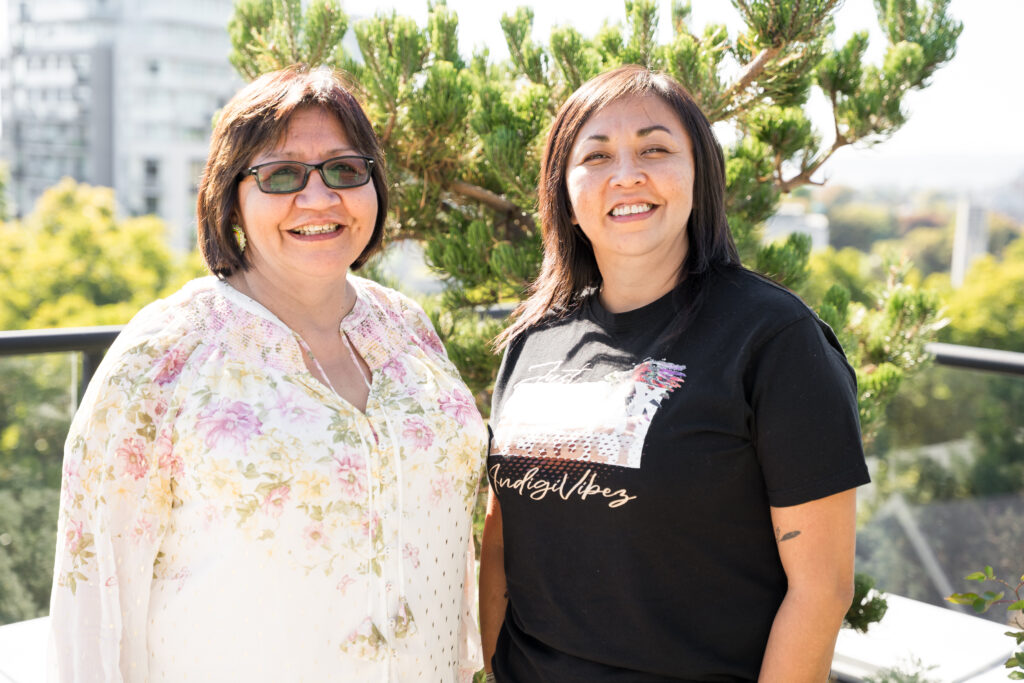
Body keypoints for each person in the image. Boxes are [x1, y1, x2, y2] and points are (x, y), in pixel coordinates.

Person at [49, 66, 486, 682]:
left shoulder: (407, 329)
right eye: (281, 175)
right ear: (229, 198)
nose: (318, 198)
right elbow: (93, 590)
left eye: (344, 169)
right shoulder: (163, 355)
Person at [479, 64, 870, 682]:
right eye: (596, 155)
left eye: (655, 149)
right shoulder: (533, 341)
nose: (627, 174)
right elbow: (504, 544)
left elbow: (821, 590)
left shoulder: (773, 339)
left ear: (699, 175)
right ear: (565, 193)